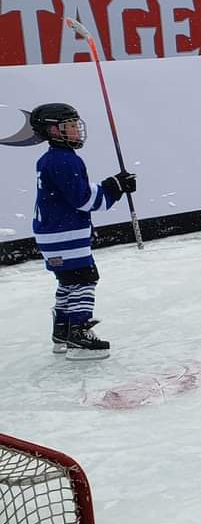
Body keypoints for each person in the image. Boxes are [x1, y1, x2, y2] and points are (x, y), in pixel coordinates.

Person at [29, 103, 137, 359]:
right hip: (64, 234)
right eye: (70, 126)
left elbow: (75, 194)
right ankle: (79, 331)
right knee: (84, 278)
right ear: (53, 130)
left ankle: (62, 331)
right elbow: (84, 199)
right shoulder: (63, 160)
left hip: (53, 234)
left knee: (68, 281)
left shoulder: (51, 159)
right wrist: (115, 187)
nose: (77, 131)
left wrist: (113, 186)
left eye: (76, 125)